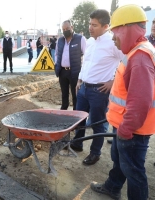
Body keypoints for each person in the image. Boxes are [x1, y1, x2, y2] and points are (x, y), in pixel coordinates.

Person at [90, 5, 155, 200]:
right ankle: (112, 186)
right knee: (119, 160)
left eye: (115, 31)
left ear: (127, 29)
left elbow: (140, 101)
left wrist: (126, 129)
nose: (113, 37)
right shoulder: (135, 51)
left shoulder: (140, 57)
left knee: (134, 171)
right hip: (125, 124)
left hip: (133, 129)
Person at [70, 9, 124, 165]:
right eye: (90, 24)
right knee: (79, 119)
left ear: (106, 26)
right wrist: (80, 80)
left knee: (98, 123)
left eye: (94, 25)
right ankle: (77, 143)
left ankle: (95, 153)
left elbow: (126, 63)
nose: (90, 27)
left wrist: (113, 81)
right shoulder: (90, 41)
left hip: (99, 91)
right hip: (84, 88)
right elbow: (86, 63)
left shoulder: (113, 42)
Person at [55, 20, 86, 110]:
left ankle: (75, 112)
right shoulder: (60, 40)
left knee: (75, 93)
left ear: (72, 27)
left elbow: (86, 55)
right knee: (64, 93)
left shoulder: (80, 39)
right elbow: (56, 54)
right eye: (63, 29)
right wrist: (57, 64)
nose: (65, 31)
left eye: (67, 28)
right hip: (62, 71)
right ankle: (64, 110)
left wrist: (83, 70)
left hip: (75, 71)